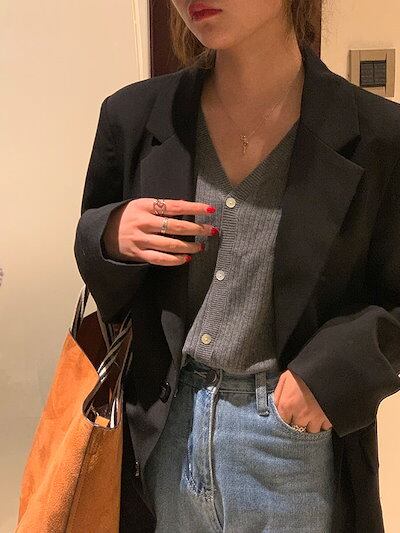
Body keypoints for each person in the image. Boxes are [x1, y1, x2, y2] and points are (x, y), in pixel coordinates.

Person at [74, 1, 400, 531]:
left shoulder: (380, 136)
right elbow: (95, 261)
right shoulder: (133, 116)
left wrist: (333, 374)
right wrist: (109, 234)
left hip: (293, 445)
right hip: (159, 434)